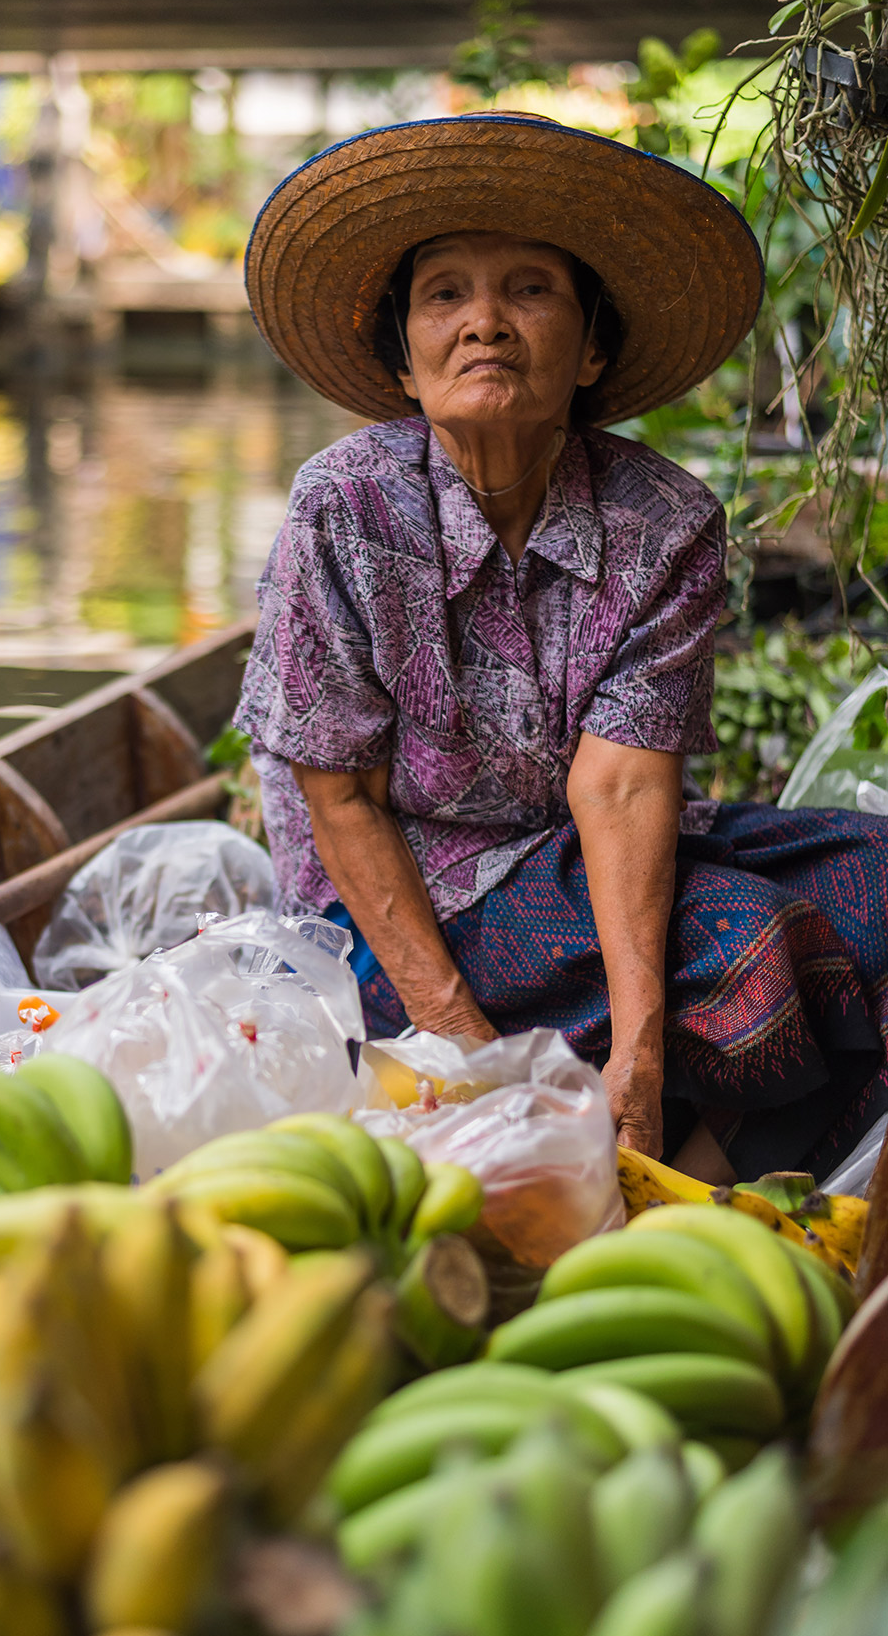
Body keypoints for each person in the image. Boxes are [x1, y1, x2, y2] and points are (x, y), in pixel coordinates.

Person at [235, 113, 888, 1184]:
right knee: (755, 943)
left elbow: (622, 790)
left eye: (528, 289)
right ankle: (687, 1170)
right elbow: (341, 801)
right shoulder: (343, 509)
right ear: (406, 360)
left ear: (589, 348)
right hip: (405, 908)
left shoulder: (663, 522)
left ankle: (693, 1150)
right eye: (446, 294)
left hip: (577, 860)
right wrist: (465, 1042)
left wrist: (638, 1044)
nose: (484, 321)